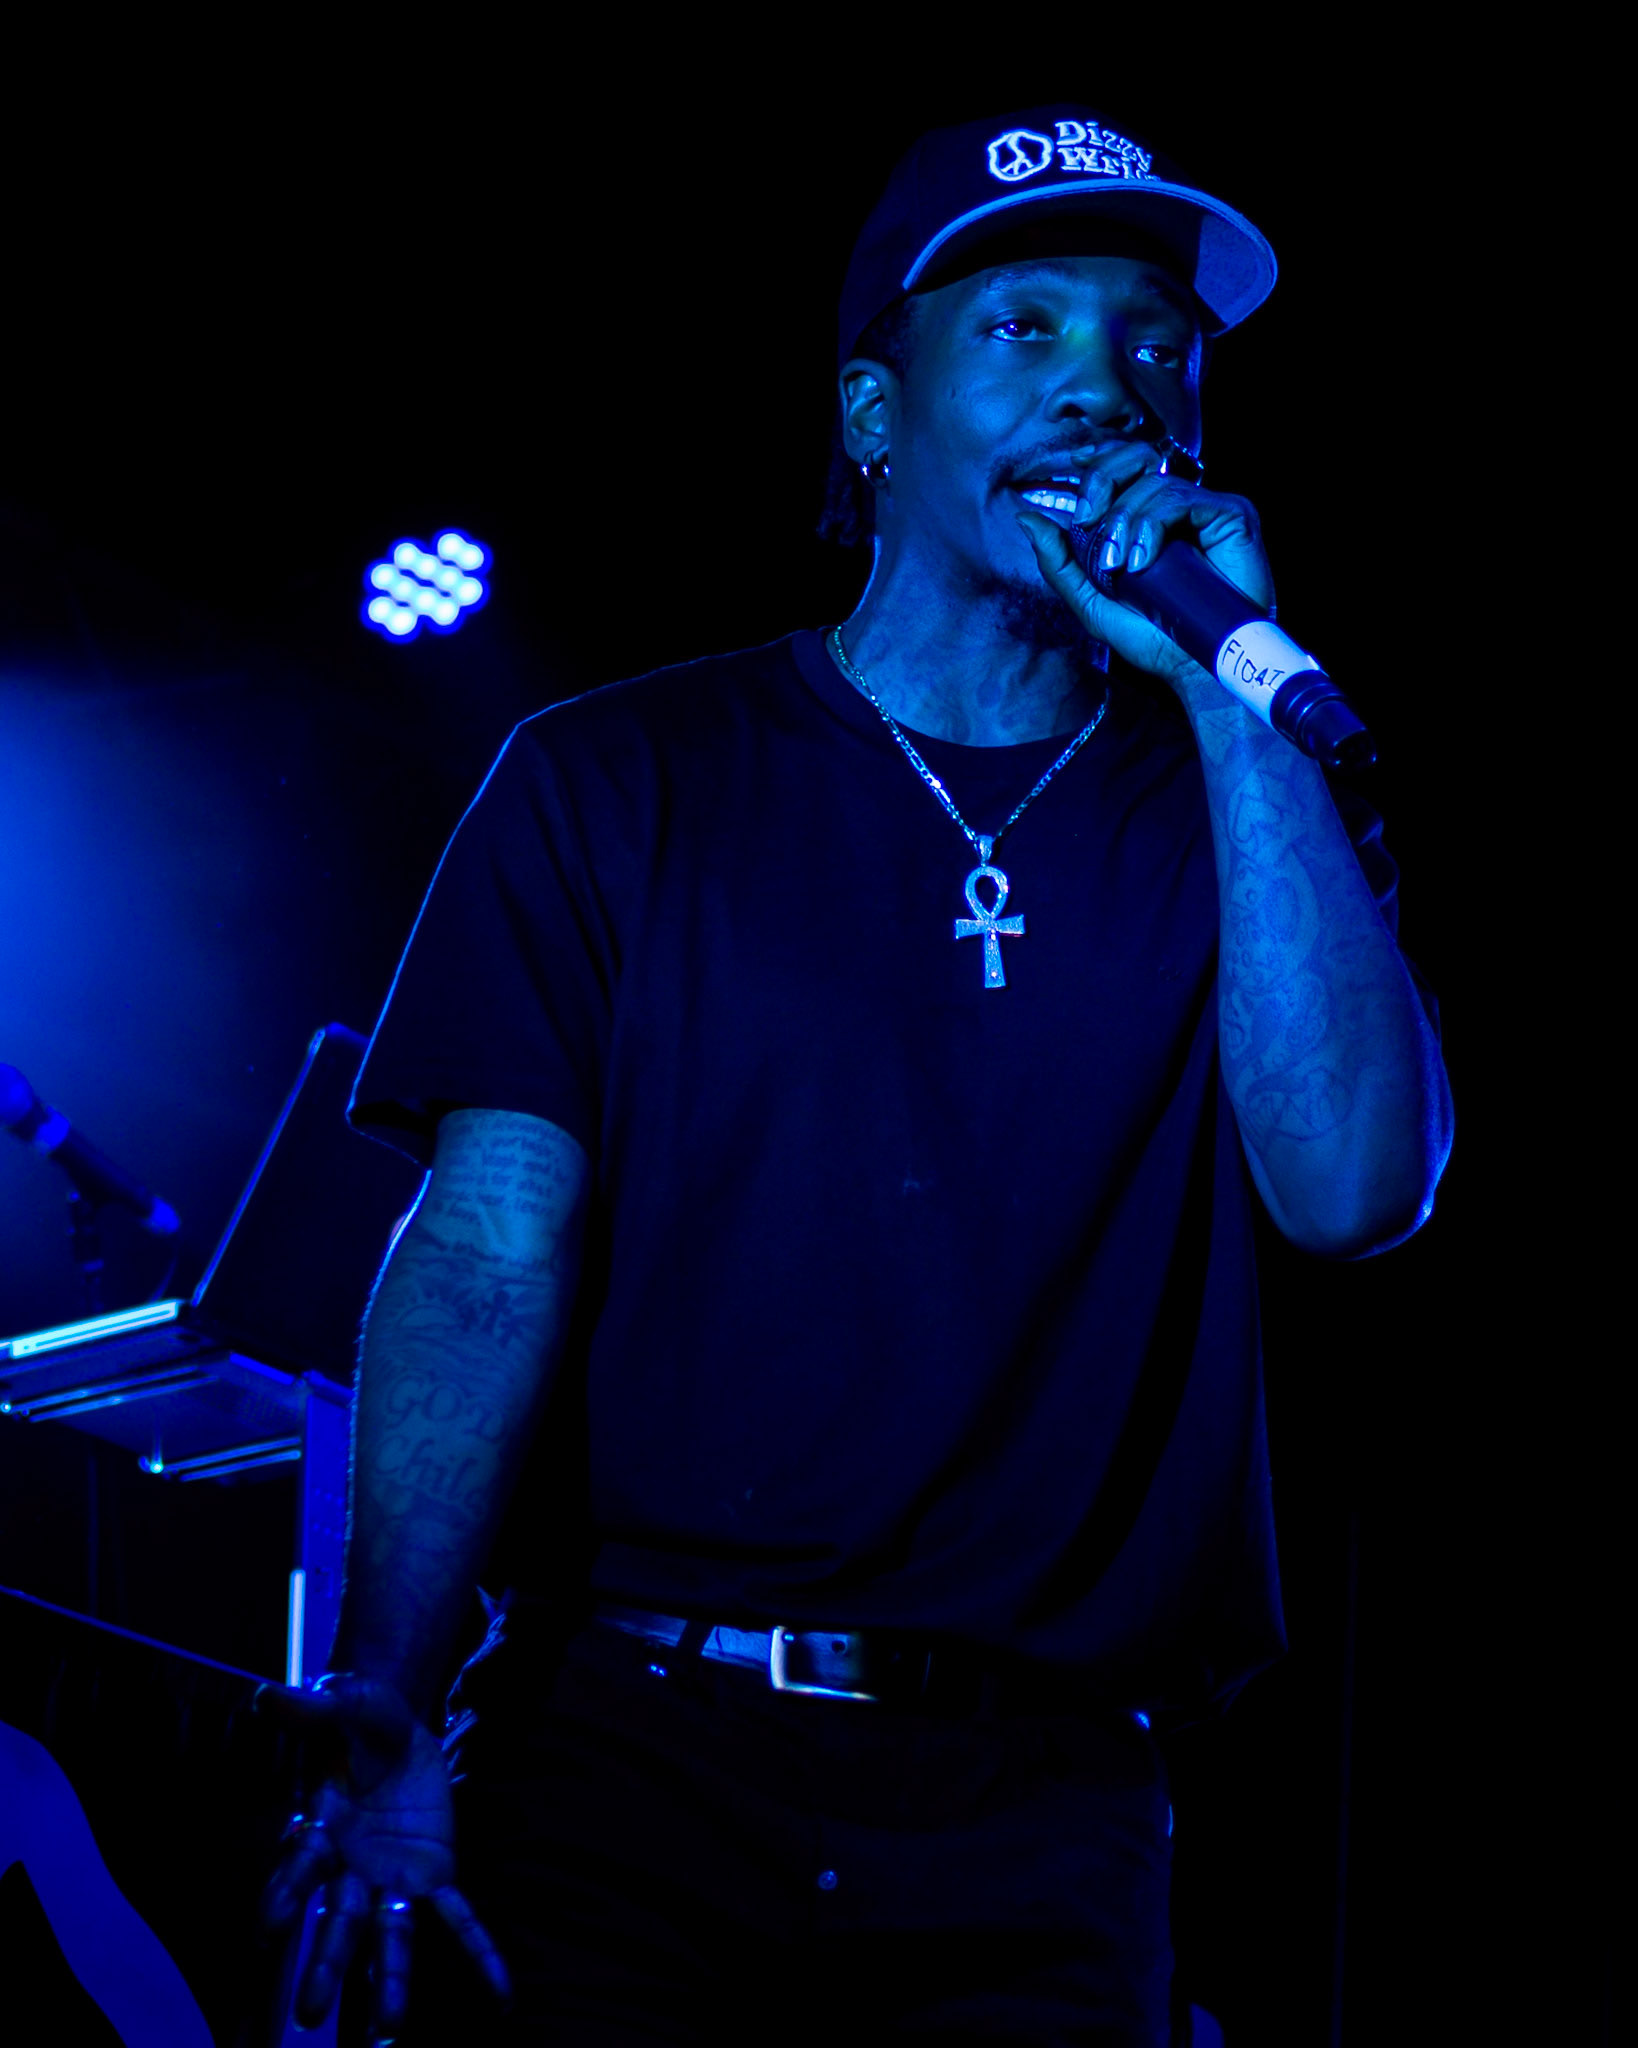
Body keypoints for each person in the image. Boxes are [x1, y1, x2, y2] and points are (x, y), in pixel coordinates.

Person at [257, 106, 1452, 2046]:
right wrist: (387, 1677)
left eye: (1156, 342)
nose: (1107, 386)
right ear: (874, 415)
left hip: (1046, 1812)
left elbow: (1356, 1190)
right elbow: (483, 1251)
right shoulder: (619, 777)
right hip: (633, 1756)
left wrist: (1231, 702)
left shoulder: (1246, 819)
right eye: (1026, 326)